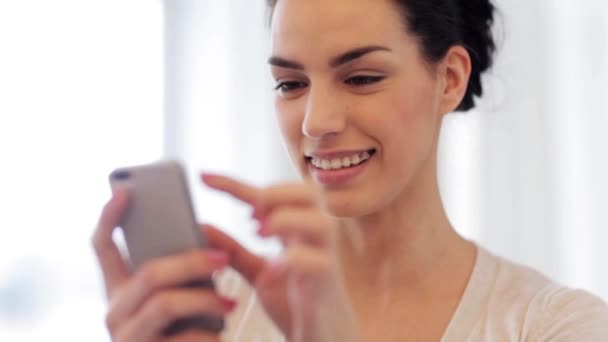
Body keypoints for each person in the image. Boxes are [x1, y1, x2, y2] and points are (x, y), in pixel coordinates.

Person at [92, 0, 608, 341]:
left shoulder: (554, 326)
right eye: (290, 84)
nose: (316, 123)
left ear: (449, 79)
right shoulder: (212, 310)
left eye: (361, 78)